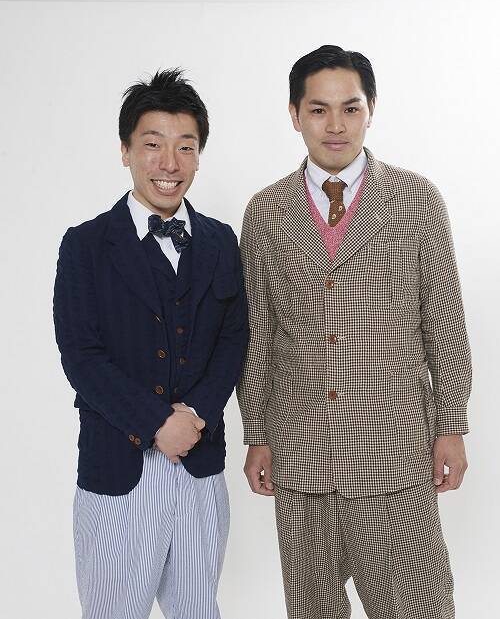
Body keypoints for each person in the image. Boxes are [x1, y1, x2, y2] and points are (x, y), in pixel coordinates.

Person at [237, 45, 471, 619]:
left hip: (394, 451)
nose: (335, 126)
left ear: (372, 109)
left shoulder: (415, 200)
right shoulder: (267, 211)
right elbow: (259, 333)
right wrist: (256, 433)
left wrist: (451, 424)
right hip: (302, 452)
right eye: (318, 110)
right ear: (295, 114)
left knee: (420, 608)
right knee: (313, 610)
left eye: (350, 108)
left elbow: (444, 320)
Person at [53, 68, 248, 619]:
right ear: (125, 151)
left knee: (198, 609)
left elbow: (234, 338)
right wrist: (158, 422)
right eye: (153, 144)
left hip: (200, 467)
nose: (170, 163)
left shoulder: (220, 241)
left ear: (198, 155)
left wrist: (197, 414)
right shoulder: (86, 244)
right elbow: (81, 356)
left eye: (185, 146)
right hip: (118, 469)